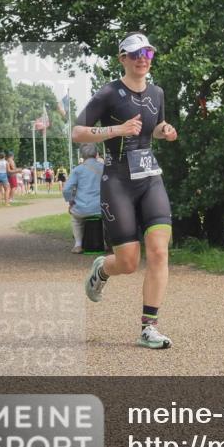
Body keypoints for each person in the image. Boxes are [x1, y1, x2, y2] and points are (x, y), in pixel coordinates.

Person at [73, 32, 179, 349]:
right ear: (122, 59)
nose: (142, 58)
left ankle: (149, 328)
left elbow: (154, 128)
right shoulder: (108, 93)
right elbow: (77, 133)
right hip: (117, 179)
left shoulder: (157, 93)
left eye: (147, 52)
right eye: (134, 54)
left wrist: (165, 131)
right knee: (129, 262)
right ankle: (102, 269)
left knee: (160, 251)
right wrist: (116, 130)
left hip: (149, 178)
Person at [62, 144, 103, 253]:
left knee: (76, 219)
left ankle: (78, 244)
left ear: (83, 156)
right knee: (105, 220)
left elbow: (66, 190)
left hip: (82, 208)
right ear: (96, 154)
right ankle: (106, 242)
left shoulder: (77, 170)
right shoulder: (105, 167)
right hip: (102, 208)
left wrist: (71, 202)